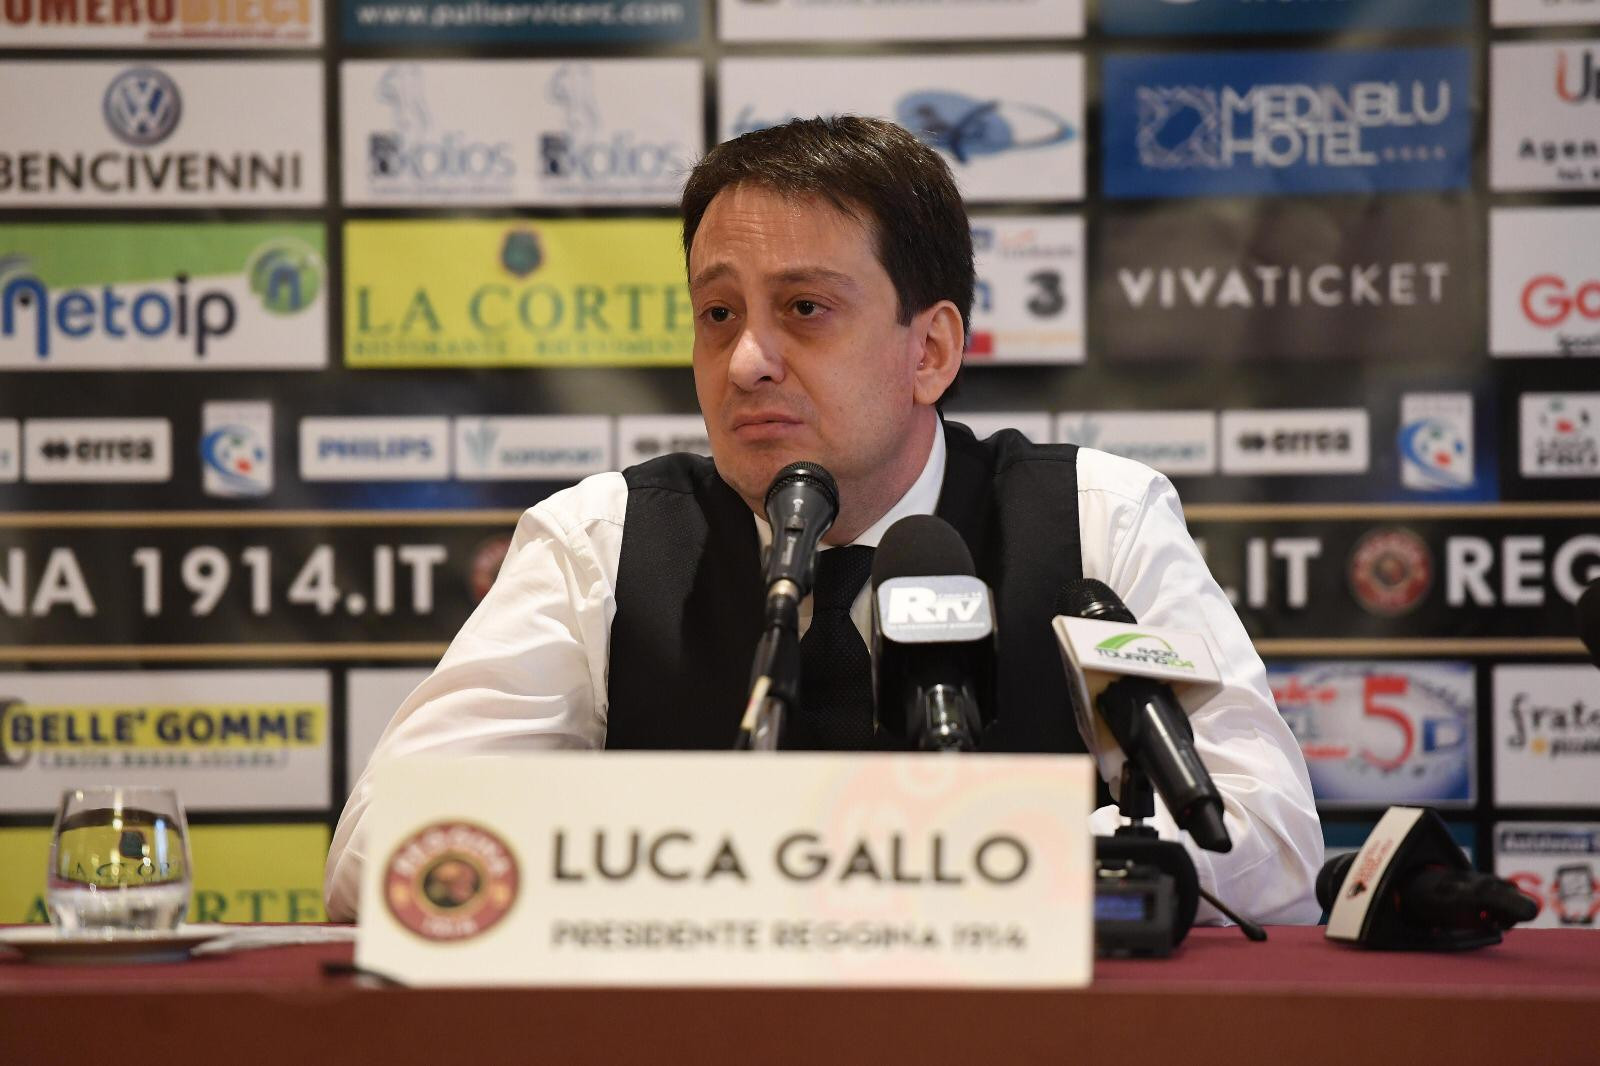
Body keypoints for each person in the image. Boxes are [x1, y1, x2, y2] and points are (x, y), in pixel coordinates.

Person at [325, 116, 1322, 924]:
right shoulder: (602, 542)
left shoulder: (1095, 520)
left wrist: (959, 865)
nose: (747, 360)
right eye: (718, 313)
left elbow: (1266, 842)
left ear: (931, 351)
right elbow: (384, 848)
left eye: (804, 308)